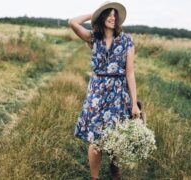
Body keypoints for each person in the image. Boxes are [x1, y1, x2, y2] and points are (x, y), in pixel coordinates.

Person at [68, 1, 141, 180]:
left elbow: (130, 73)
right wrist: (93, 14)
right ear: (102, 17)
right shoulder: (93, 38)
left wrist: (134, 104)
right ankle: (95, 177)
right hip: (97, 94)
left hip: (118, 93)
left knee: (116, 135)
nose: (112, 17)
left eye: (115, 15)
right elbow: (72, 22)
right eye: (108, 14)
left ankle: (114, 168)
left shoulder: (126, 40)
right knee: (96, 139)